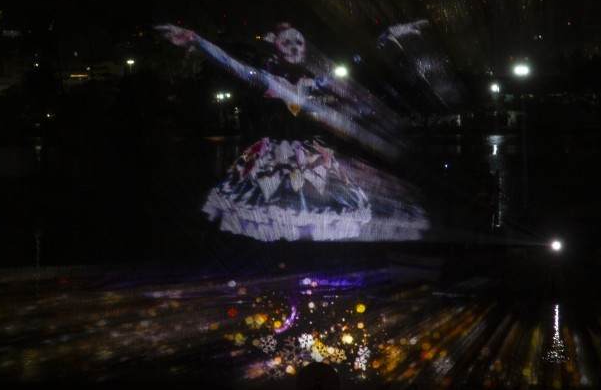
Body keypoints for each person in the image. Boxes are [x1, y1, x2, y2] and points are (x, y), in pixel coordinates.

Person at [157, 20, 427, 242]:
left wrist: (390, 34)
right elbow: (229, 62)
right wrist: (195, 40)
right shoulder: (265, 79)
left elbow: (357, 60)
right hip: (273, 158)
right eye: (287, 42)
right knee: (270, 218)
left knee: (316, 217)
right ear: (275, 46)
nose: (295, 47)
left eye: (299, 42)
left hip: (311, 157)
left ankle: (305, 264)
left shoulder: (315, 83)